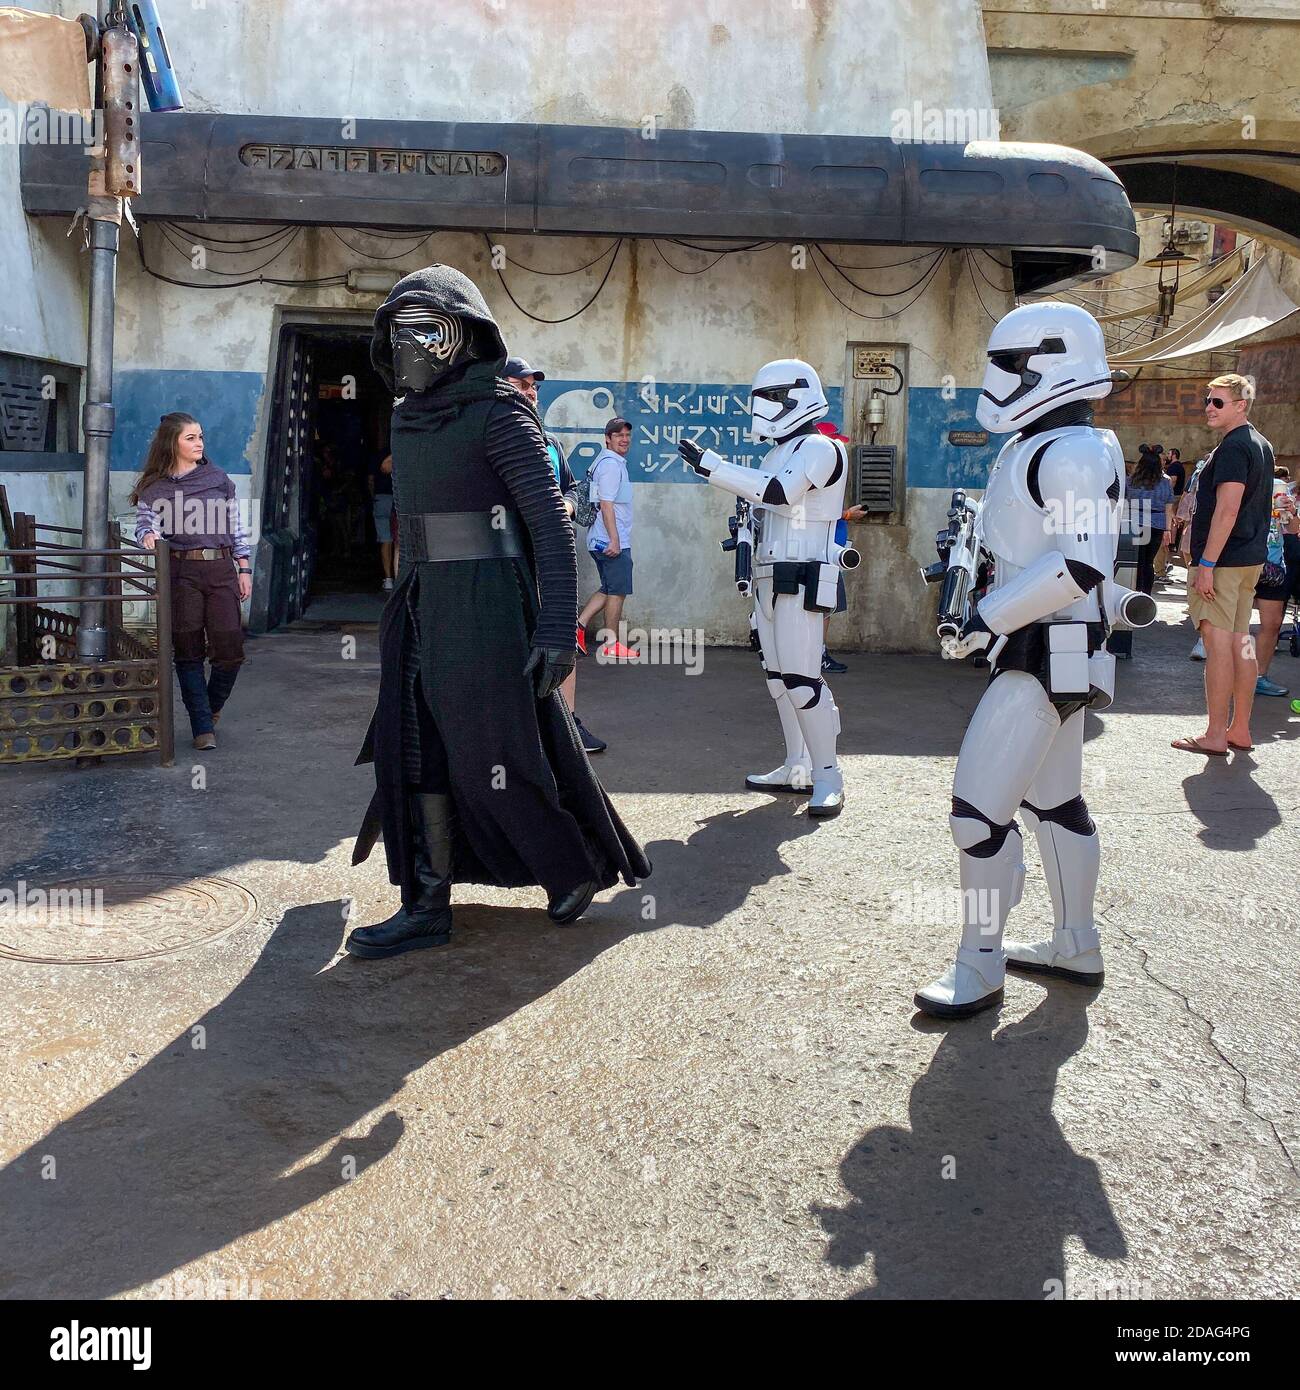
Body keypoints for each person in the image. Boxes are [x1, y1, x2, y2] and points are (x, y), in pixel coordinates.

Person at [347, 264, 649, 961]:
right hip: (420, 601)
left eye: (430, 331)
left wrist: (556, 630)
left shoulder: (500, 411)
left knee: (498, 752)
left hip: (486, 605)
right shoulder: (407, 418)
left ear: (464, 336)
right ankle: (426, 903)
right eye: (402, 333)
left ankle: (569, 870)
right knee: (413, 745)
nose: (414, 347)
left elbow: (549, 521)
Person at [913, 302, 1155, 1018]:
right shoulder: (1056, 445)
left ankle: (980, 962)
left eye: (1013, 365)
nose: (1000, 379)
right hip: (1059, 648)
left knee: (976, 815)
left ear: (1051, 366)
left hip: (1043, 650)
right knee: (1055, 804)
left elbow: (1081, 563)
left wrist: (984, 616)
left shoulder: (1069, 449)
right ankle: (1076, 942)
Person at [679, 358, 852, 819]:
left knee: (801, 680)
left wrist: (714, 466)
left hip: (805, 574)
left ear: (798, 396)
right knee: (779, 681)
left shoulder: (821, 448)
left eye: (773, 398)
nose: (765, 408)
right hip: (769, 577)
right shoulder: (776, 452)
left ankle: (828, 774)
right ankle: (797, 765)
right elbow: (760, 510)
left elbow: (779, 493)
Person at [503, 354, 606, 754]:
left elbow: (579, 492)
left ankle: (568, 729)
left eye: (533, 388)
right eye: (521, 386)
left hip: (551, 564)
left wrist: (562, 504)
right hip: (505, 566)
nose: (530, 394)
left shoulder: (550, 444)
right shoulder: (488, 441)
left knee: (564, 637)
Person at [132, 412, 251, 752]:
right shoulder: (154, 489)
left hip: (221, 570)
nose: (199, 443)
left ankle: (211, 707)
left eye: (200, 436)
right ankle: (202, 727)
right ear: (173, 443)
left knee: (230, 649)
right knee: (188, 652)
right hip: (181, 573)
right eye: (191, 438)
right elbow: (144, 526)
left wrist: (244, 569)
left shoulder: (217, 479)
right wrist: (150, 535)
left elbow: (235, 526)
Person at [1172, 374, 1275, 756]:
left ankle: (1216, 733)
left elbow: (1228, 509)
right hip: (1248, 561)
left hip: (1225, 562)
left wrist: (1207, 564)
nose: (1208, 408)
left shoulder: (1234, 447)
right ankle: (1241, 729)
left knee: (1218, 647)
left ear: (1240, 405)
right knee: (1241, 643)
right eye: (1207, 401)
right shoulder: (1260, 444)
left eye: (1218, 402)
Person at [578, 418, 639, 661]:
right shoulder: (610, 465)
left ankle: (578, 625)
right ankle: (612, 643)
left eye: (627, 435)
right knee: (617, 591)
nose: (624, 439)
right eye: (618, 435)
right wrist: (615, 540)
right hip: (610, 541)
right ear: (607, 438)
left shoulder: (609, 462)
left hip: (605, 538)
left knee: (609, 587)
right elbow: (606, 505)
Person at [813, 420, 866, 674]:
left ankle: (816, 653)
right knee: (822, 607)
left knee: (825, 607)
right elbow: (817, 511)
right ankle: (817, 655)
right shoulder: (817, 473)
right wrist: (847, 515)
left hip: (831, 549)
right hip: (823, 551)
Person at [1252, 472, 1300, 698]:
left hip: (1272, 566)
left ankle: (1259, 676)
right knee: (1233, 624)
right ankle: (1231, 672)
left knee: (1272, 623)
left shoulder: (1279, 487)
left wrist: (1290, 512)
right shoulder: (1240, 482)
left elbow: (1292, 529)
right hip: (1239, 561)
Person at [1124, 445, 1173, 595]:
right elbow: (1169, 508)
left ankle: (1134, 594)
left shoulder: (1131, 481)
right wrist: (1168, 529)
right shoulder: (1165, 482)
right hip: (1156, 523)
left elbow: (1123, 502)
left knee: (1136, 562)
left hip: (1134, 522)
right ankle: (1146, 595)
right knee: (1148, 562)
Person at [370, 448, 396, 590]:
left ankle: (388, 578)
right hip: (398, 497)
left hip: (381, 497)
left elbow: (371, 479)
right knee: (399, 540)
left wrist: (372, 496)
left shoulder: (377, 456)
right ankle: (400, 576)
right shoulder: (402, 450)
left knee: (386, 539)